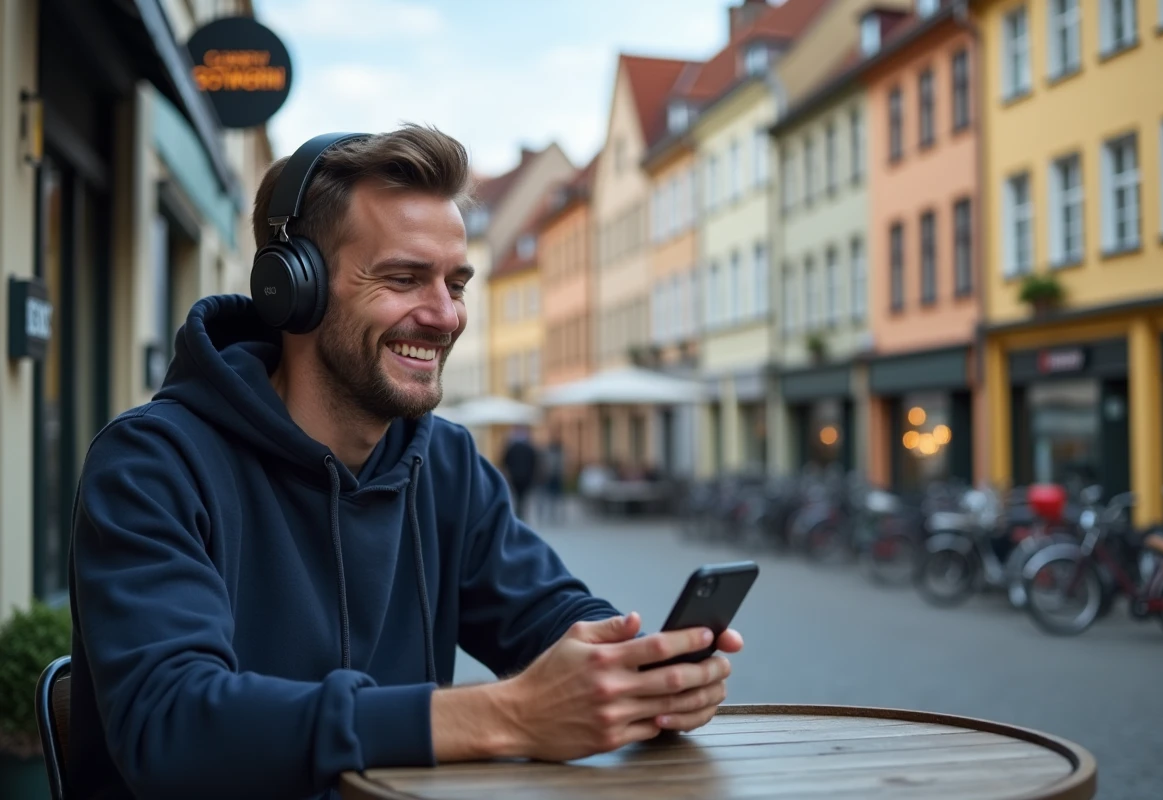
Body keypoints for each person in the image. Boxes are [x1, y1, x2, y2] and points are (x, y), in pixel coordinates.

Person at [66, 126, 743, 800]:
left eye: (456, 283)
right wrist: (508, 715)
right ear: (291, 287)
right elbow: (172, 727)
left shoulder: (445, 461)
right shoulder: (152, 465)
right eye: (403, 278)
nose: (445, 316)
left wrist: (641, 673)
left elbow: (550, 616)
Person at [500, 426, 538, 521]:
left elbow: (504, 461)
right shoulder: (529, 447)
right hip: (526, 477)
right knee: (522, 497)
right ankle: (520, 514)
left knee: (518, 497)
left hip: (515, 476)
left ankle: (519, 513)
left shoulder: (512, 447)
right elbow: (534, 462)